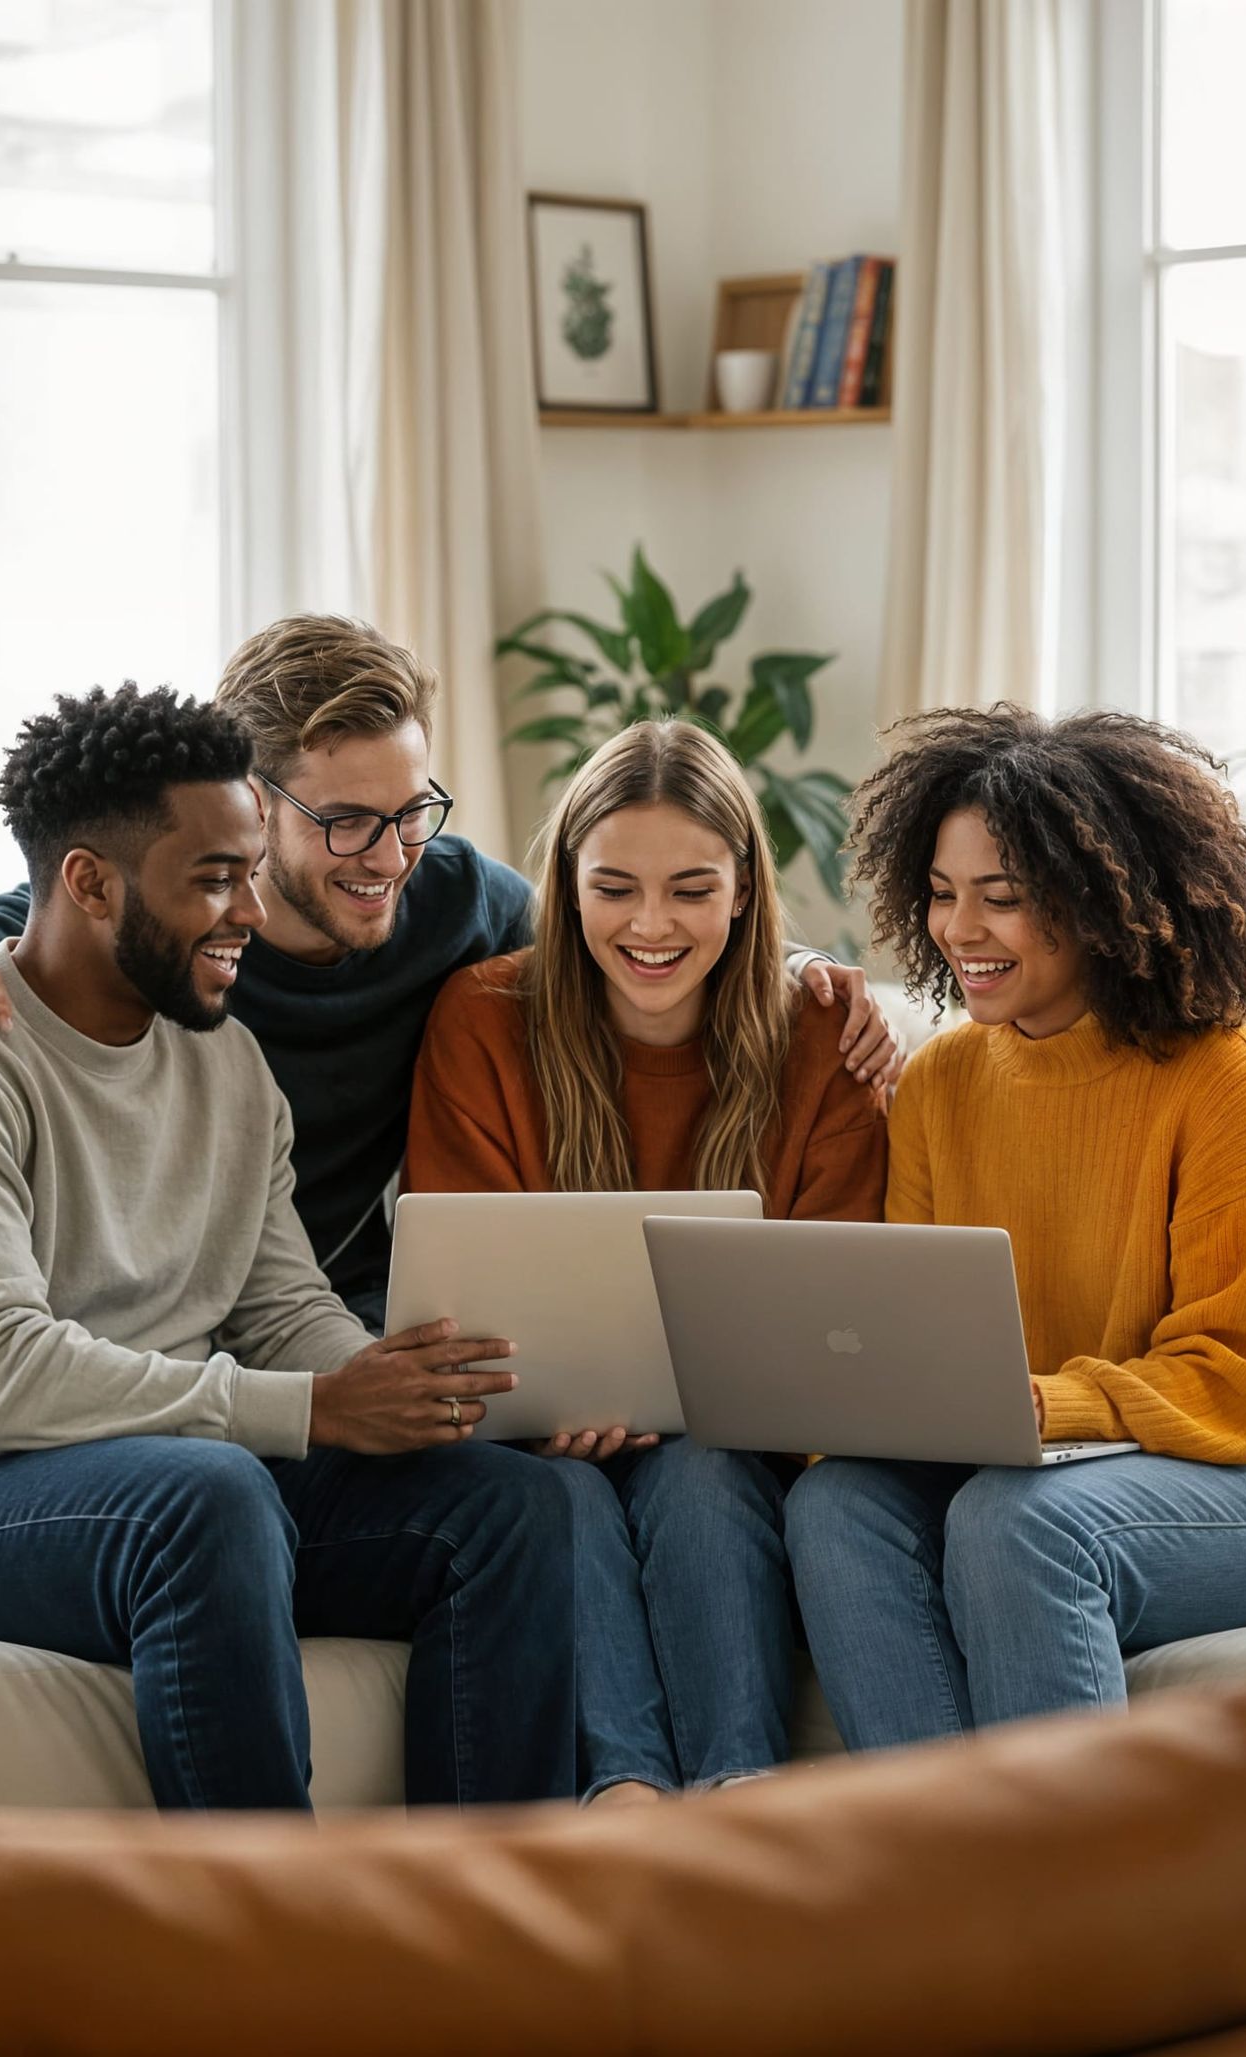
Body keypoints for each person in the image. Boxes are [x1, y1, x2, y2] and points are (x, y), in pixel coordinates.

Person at [0, 682, 578, 1810]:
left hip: (165, 1470)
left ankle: (481, 1934)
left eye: (247, 870)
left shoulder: (223, 1061)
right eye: (213, 880)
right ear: (89, 881)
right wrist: (315, 1411)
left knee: (505, 1505)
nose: (248, 909)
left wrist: (430, 1390)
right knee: (211, 1494)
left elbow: (281, 1307)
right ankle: (258, 1958)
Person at [0, 618, 900, 1334]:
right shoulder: (173, 922)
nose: (389, 855)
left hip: (326, 1308)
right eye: (345, 819)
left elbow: (623, 942)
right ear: (248, 803)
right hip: (151, 1322)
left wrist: (797, 968)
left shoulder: (457, 899)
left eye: (411, 809)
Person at [781, 703, 1246, 1751]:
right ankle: (929, 1881)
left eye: (1002, 898)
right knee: (836, 1504)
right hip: (1045, 1458)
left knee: (1013, 1521)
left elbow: (1239, 1378)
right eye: (939, 894)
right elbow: (924, 1329)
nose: (957, 930)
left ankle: (1077, 1898)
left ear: (1105, 901)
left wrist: (1044, 1401)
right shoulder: (939, 1081)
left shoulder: (1223, 1078)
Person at [404, 719, 886, 1800]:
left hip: (736, 1441)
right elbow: (461, 1284)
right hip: (538, 1442)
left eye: (691, 888)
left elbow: (835, 1310)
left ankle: (734, 1794)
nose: (652, 924)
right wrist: (544, 1404)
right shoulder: (484, 1017)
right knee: (557, 1498)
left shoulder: (822, 1038)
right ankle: (624, 1799)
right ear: (567, 886)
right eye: (614, 886)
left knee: (703, 1476)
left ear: (745, 890)